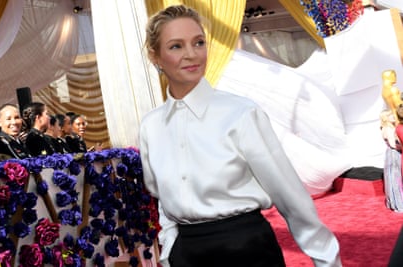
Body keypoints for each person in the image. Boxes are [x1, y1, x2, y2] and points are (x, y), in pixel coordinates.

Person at [138, 5, 341, 267]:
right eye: (176, 46)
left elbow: (291, 198)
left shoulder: (242, 113)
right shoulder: (150, 127)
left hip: (247, 250)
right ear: (155, 56)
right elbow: (164, 201)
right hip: (187, 255)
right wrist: (169, 252)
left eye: (198, 42)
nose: (191, 54)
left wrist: (327, 262)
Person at [381, 109, 403, 212]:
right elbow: (393, 145)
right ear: (386, 118)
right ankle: (398, 204)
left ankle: (395, 203)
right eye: (391, 116)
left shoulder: (387, 128)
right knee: (395, 178)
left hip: (393, 154)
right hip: (393, 154)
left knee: (394, 178)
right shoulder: (388, 129)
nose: (394, 117)